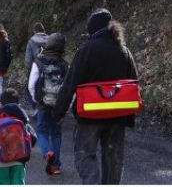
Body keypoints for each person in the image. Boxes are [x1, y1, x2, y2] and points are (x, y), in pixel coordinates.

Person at [53, 9, 138, 184]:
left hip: (90, 115)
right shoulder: (124, 51)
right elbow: (133, 83)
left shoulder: (86, 50)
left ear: (93, 30)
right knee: (113, 157)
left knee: (85, 154)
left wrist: (59, 112)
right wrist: (129, 117)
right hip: (117, 116)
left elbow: (70, 84)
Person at [28, 32, 68, 175]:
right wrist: (66, 106)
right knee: (56, 134)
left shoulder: (39, 60)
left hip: (43, 104)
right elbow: (69, 87)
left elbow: (31, 84)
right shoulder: (64, 64)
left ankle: (47, 153)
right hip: (58, 105)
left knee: (42, 131)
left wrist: (36, 100)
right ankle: (55, 166)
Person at [0, 89, 36, 185]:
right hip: (19, 160)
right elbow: (33, 139)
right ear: (18, 104)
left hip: (0, 160)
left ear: (1, 104)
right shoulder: (22, 121)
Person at [24, 23, 47, 111]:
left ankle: (35, 106)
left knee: (29, 88)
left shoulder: (31, 41)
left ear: (34, 31)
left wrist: (28, 70)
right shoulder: (50, 39)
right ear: (43, 30)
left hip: (36, 67)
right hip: (49, 67)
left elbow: (28, 59)